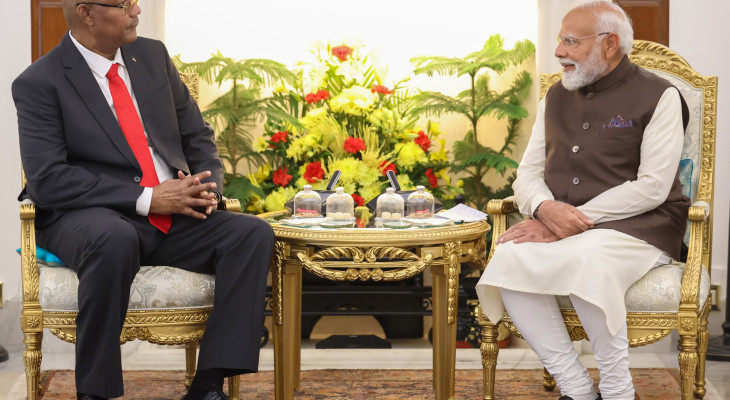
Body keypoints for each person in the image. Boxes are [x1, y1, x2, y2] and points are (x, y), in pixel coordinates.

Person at [12, 1, 274, 399]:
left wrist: (207, 188)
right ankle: (96, 393)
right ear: (86, 13)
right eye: (124, 3)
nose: (136, 9)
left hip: (172, 212)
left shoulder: (152, 55)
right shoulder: (39, 82)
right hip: (90, 216)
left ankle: (208, 385)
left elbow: (197, 135)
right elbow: (48, 179)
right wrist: (147, 198)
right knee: (113, 239)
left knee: (251, 234)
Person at [476, 1, 690, 400]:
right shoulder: (555, 96)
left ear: (609, 44)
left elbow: (652, 187)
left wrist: (569, 219)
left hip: (642, 226)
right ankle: (576, 388)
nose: (559, 51)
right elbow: (527, 174)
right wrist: (545, 209)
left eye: (571, 42)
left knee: (589, 257)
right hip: (566, 225)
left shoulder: (660, 95)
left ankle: (618, 390)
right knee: (509, 256)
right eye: (560, 40)